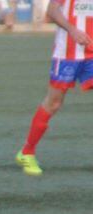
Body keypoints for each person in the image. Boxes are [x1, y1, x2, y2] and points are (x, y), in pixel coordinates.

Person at [15, 0, 92, 176]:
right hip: (67, 55)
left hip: (91, 52)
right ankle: (27, 152)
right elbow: (52, 10)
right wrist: (72, 30)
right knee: (54, 103)